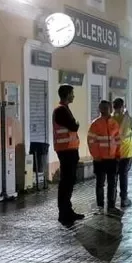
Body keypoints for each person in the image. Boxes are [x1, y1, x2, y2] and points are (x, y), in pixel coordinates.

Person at [52, 84, 85, 225]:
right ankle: (64, 213)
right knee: (66, 182)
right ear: (66, 95)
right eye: (72, 93)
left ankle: (67, 210)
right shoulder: (61, 111)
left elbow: (73, 125)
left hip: (69, 150)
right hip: (65, 151)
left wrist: (74, 123)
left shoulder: (65, 109)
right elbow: (73, 126)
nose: (74, 96)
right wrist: (75, 123)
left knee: (69, 181)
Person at [87, 100, 123, 216]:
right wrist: (96, 156)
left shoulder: (114, 124)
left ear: (110, 109)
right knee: (100, 184)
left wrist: (118, 155)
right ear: (100, 109)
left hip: (112, 159)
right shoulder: (95, 124)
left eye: (106, 108)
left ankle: (111, 206)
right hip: (100, 159)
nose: (104, 110)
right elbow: (91, 141)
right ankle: (100, 207)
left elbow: (117, 140)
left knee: (112, 183)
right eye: (102, 108)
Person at [112, 97, 132, 208]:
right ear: (122, 107)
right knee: (123, 175)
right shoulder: (126, 118)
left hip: (112, 152)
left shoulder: (110, 119)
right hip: (125, 152)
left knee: (113, 177)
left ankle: (112, 199)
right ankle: (124, 199)